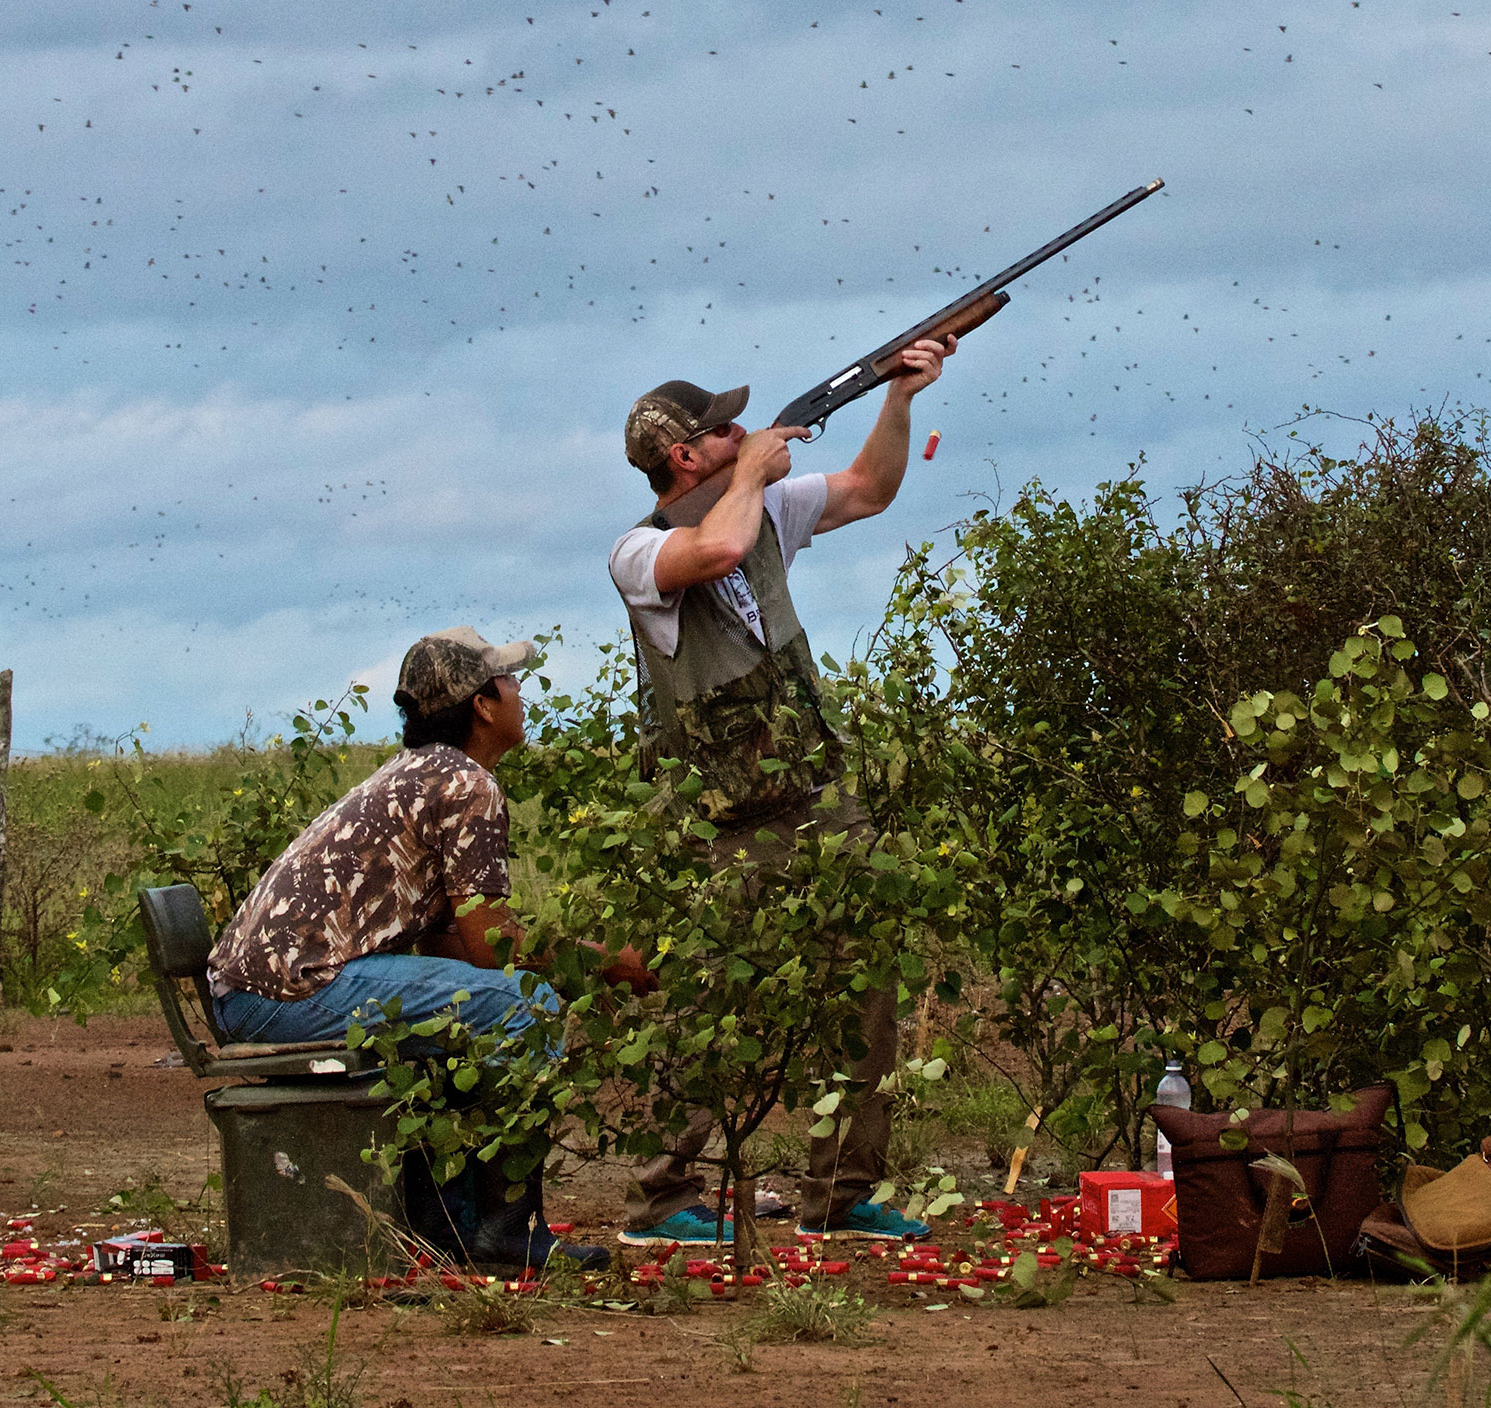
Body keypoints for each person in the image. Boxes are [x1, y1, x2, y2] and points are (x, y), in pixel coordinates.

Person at [609, 336, 956, 1245]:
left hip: (820, 797)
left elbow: (869, 489)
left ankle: (838, 1199)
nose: (744, 435)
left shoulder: (761, 507)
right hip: (727, 820)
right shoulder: (639, 552)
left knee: (867, 997)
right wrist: (756, 471)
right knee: (711, 1011)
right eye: (724, 432)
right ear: (684, 457)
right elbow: (717, 548)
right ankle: (659, 1202)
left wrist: (897, 397)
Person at [206, 626, 637, 1272]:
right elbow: (490, 947)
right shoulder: (466, 785)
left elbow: (447, 940)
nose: (520, 691)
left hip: (259, 988)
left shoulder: (420, 773)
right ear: (483, 706)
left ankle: (450, 1226)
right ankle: (507, 1231)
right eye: (508, 680)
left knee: (487, 1008)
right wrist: (607, 964)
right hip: (289, 991)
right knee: (528, 1009)